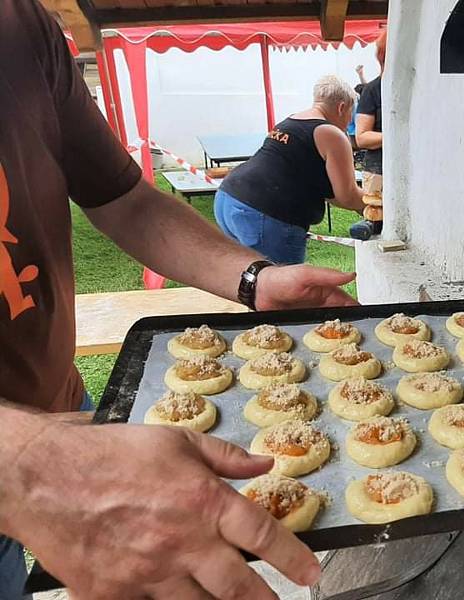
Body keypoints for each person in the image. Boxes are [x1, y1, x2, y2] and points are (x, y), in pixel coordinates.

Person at [0, 2, 357, 598]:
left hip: (61, 400)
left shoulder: (20, 25)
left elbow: (122, 198)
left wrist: (253, 278)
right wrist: (26, 468)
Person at [214, 76, 365, 264]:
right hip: (265, 213)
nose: (351, 119)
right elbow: (347, 196)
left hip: (228, 199)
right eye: (352, 111)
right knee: (282, 287)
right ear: (342, 107)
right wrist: (377, 205)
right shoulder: (332, 134)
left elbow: (325, 189)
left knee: (247, 279)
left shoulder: (290, 121)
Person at [352, 30, 386, 240]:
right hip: (379, 170)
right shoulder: (373, 90)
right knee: (377, 219)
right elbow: (362, 137)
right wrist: (393, 137)